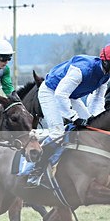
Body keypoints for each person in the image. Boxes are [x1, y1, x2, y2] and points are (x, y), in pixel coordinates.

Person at [27, 44, 110, 185]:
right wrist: (74, 117)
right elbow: (60, 95)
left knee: (90, 128)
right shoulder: (82, 70)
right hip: (51, 92)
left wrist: (95, 118)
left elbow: (98, 99)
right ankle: (36, 170)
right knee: (57, 133)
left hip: (70, 96)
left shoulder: (106, 75)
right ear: (106, 62)